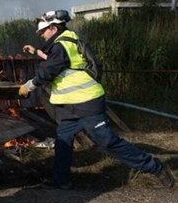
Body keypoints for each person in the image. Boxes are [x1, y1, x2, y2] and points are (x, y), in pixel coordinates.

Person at [19, 10, 175, 190]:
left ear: (53, 28)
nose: (42, 35)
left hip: (86, 104)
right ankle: (61, 180)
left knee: (108, 142)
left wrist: (29, 86)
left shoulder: (61, 45)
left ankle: (156, 168)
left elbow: (49, 70)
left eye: (43, 31)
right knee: (63, 140)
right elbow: (62, 61)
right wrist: (36, 51)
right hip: (69, 107)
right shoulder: (68, 41)